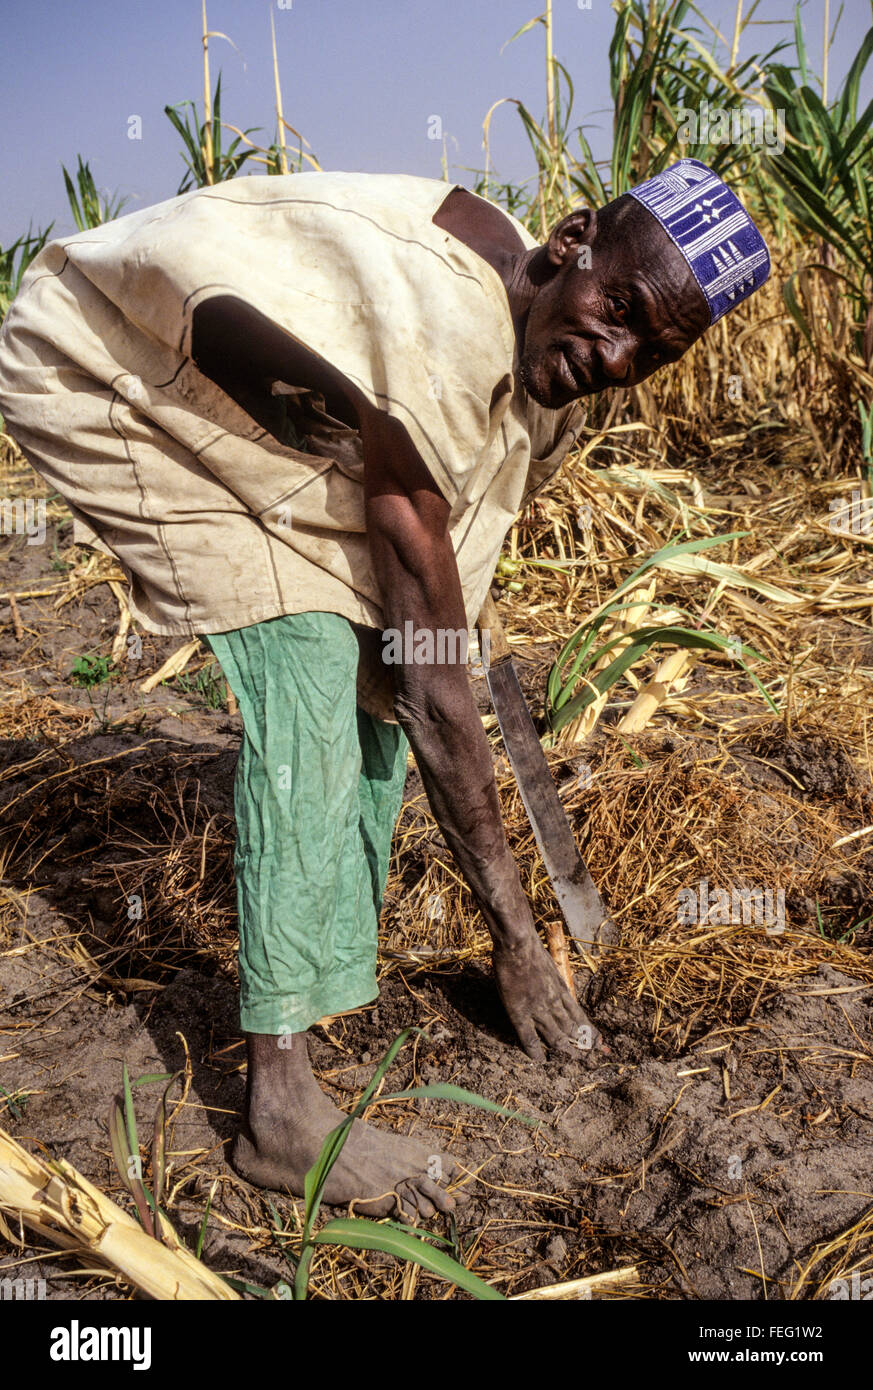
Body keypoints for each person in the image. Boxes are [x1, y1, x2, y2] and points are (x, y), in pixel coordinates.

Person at [0, 158, 770, 1218]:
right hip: (108, 371)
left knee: (386, 656)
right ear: (572, 243)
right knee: (315, 650)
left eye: (652, 349)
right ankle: (278, 1109)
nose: (617, 354)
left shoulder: (541, 340)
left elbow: (465, 593)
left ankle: (321, 985)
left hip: (257, 408)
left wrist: (557, 871)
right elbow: (430, 672)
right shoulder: (444, 339)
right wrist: (513, 935)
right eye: (620, 309)